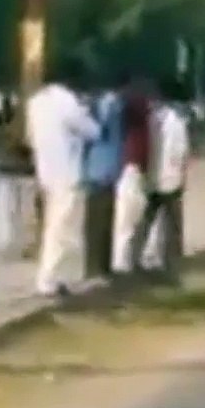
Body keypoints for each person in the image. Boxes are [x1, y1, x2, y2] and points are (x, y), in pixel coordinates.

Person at [25, 62, 100, 298]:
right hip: (67, 173)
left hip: (45, 170)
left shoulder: (35, 102)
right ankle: (50, 280)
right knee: (62, 230)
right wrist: (87, 111)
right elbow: (92, 131)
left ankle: (52, 278)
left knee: (52, 226)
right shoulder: (68, 102)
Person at [131, 78, 190, 279]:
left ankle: (137, 257)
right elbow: (181, 152)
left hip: (155, 177)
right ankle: (170, 261)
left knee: (148, 220)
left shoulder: (152, 120)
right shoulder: (176, 121)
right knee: (170, 223)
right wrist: (182, 176)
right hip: (168, 178)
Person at [81, 75, 125, 281]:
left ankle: (97, 267)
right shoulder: (111, 106)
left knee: (98, 221)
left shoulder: (102, 105)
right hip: (105, 169)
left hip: (98, 169)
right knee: (102, 221)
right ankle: (99, 267)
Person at [112, 76, 154, 274]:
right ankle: (121, 262)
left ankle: (126, 259)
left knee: (132, 217)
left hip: (134, 168)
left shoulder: (135, 114)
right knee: (127, 218)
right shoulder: (135, 114)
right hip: (130, 168)